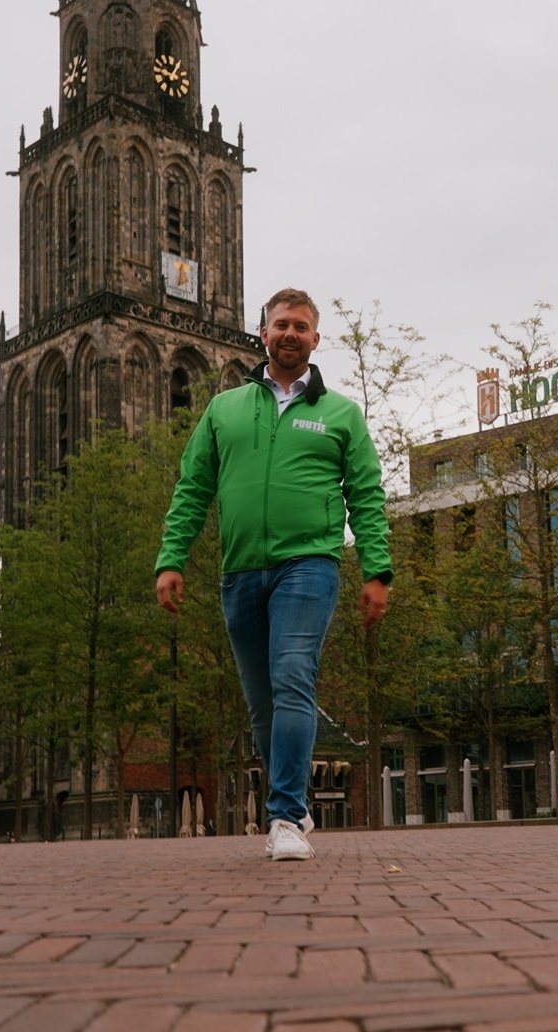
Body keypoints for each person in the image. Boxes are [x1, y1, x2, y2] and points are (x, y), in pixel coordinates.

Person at [156, 288, 392, 862]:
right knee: (262, 703)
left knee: (292, 678)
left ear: (315, 339)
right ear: (263, 334)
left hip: (309, 565)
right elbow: (192, 488)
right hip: (240, 571)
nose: (290, 334)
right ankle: (294, 800)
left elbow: (366, 495)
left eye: (301, 326)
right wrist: (171, 558)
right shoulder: (224, 409)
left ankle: (284, 816)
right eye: (281, 324)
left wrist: (377, 570)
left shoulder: (341, 415)